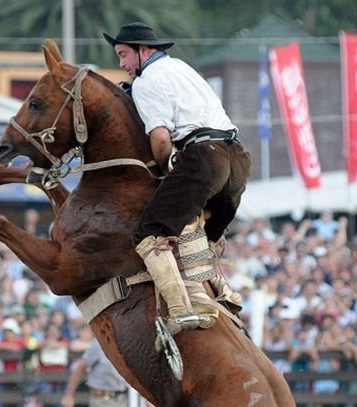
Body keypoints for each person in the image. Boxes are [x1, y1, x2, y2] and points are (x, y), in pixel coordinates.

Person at [103, 22, 251, 335]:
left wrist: (166, 167)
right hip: (237, 160)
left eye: (123, 55)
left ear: (143, 51)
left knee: (149, 233)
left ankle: (182, 310)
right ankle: (221, 289)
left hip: (205, 158)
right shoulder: (180, 67)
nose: (122, 64)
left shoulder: (146, 81)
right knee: (197, 225)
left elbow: (159, 139)